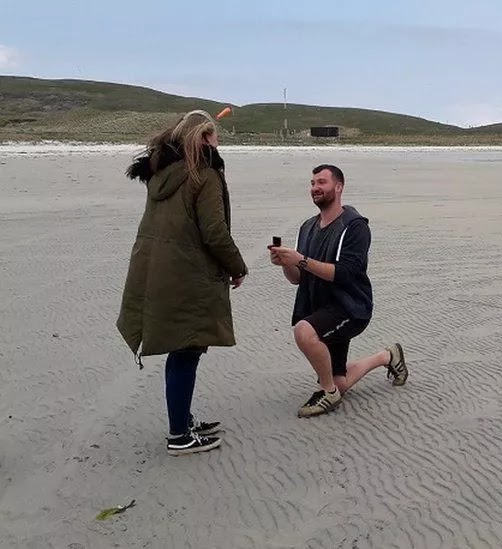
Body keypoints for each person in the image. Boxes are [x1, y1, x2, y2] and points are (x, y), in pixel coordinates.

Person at [117, 109, 248, 456]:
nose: (218, 142)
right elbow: (215, 233)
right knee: (187, 349)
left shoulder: (162, 174)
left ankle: (183, 419)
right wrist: (237, 267)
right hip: (188, 274)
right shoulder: (202, 174)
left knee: (184, 347)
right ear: (205, 138)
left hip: (158, 271)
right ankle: (179, 435)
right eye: (215, 135)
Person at [269, 164, 406, 417]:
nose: (315, 188)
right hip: (320, 308)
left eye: (321, 182)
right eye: (312, 183)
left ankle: (327, 394)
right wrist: (286, 264)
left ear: (339, 187)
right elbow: (297, 278)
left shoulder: (355, 227)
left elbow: (344, 274)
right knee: (340, 382)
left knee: (304, 332)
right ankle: (387, 356)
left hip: (350, 307)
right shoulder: (307, 227)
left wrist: (300, 259)